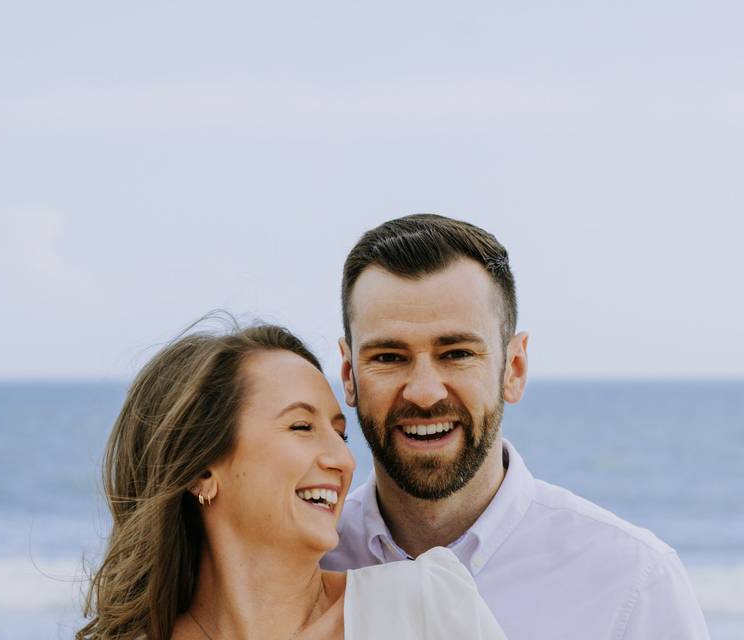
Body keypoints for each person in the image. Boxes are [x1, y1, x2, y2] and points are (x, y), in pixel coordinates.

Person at [322, 214, 711, 639]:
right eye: (389, 357)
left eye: (456, 353)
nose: (424, 392)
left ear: (515, 368)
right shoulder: (303, 564)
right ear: (348, 374)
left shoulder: (633, 583)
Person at [77, 323, 506, 640]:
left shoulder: (425, 607)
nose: (343, 459)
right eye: (301, 427)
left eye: (341, 434)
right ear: (201, 470)